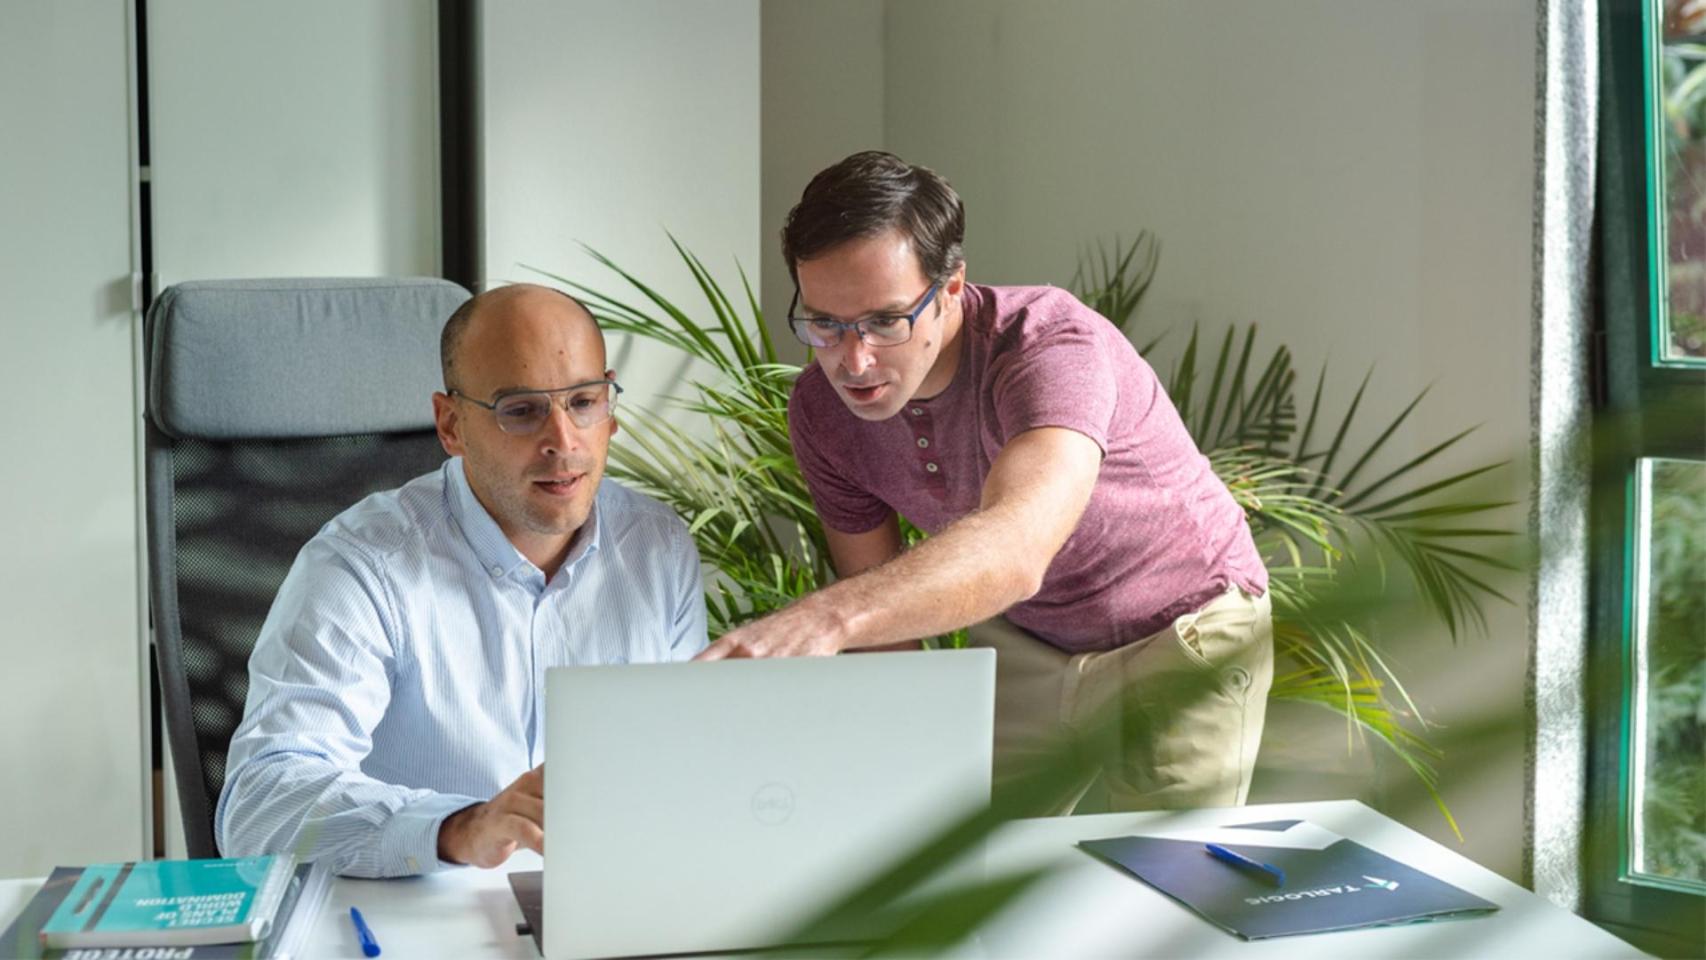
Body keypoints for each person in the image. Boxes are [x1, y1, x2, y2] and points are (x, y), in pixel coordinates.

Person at [699, 151, 1272, 815]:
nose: (853, 362)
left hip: (1182, 628)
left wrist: (823, 620)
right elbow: (883, 618)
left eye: (885, 321)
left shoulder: (1047, 346)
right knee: (958, 867)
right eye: (825, 324)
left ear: (949, 289)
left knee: (1156, 888)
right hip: (1027, 642)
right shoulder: (823, 412)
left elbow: (1017, 547)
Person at [216, 284, 706, 877]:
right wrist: (458, 829)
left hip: (607, 904)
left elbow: (684, 760)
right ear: (451, 425)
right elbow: (262, 805)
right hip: (415, 918)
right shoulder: (362, 566)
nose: (563, 441)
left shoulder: (657, 546)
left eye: (582, 401)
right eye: (520, 410)